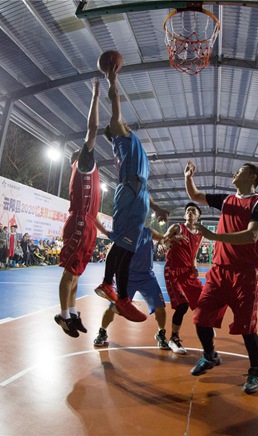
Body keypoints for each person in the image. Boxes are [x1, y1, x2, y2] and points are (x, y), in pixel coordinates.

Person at [184, 159, 258, 395]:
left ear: (252, 176)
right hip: (219, 271)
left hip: (245, 274)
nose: (235, 173)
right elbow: (195, 195)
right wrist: (188, 177)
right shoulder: (226, 200)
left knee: (247, 328)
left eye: (241, 170)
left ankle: (255, 371)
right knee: (201, 318)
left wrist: (214, 236)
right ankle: (210, 356)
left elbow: (252, 236)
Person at [93, 64, 169, 323]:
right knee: (123, 245)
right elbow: (115, 108)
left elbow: (144, 187)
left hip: (138, 194)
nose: (124, 122)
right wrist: (112, 79)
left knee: (127, 247)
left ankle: (118, 293)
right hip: (130, 193)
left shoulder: (134, 149)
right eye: (120, 123)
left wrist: (155, 208)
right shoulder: (121, 137)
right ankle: (111, 286)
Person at [54, 77, 110, 338]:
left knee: (76, 273)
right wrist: (96, 95)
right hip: (78, 223)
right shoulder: (83, 164)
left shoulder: (92, 174)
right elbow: (93, 128)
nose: (91, 151)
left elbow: (94, 214)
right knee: (70, 272)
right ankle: (63, 315)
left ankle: (73, 312)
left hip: (88, 223)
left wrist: (106, 231)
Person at [93, 227, 181, 348]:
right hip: (127, 278)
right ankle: (102, 332)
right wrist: (109, 274)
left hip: (147, 277)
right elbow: (112, 253)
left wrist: (170, 238)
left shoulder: (149, 232)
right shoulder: (125, 232)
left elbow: (163, 237)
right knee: (113, 308)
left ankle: (160, 333)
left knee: (160, 308)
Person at [163, 203, 204, 355]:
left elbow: (194, 255)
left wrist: (194, 266)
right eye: (188, 211)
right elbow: (163, 241)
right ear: (185, 215)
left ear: (198, 216)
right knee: (182, 305)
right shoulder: (177, 227)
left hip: (188, 272)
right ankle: (173, 339)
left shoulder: (200, 234)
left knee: (204, 301)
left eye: (193, 211)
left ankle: (205, 328)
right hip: (173, 270)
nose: (190, 212)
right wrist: (173, 238)